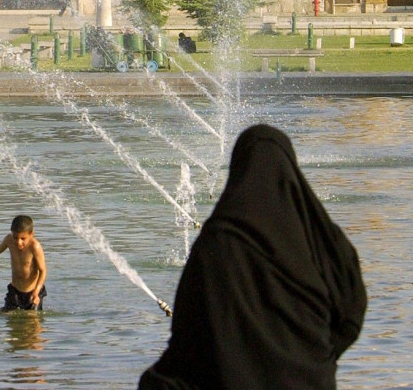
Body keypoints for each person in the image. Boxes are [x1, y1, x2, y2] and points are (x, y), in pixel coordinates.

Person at [138, 124, 366, 390]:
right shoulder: (321, 240)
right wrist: (314, 357)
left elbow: (188, 329)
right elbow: (352, 312)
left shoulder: (217, 241)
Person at [0, 214, 47, 311]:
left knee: (32, 322)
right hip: (15, 290)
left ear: (31, 233)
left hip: (32, 292)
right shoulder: (9, 240)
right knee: (10, 320)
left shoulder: (35, 247)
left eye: (23, 239)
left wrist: (36, 292)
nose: (18, 242)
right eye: (16, 237)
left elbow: (43, 271)